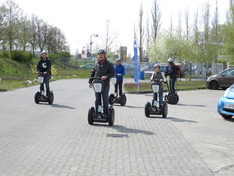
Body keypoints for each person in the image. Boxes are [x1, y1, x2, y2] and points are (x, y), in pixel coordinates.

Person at [89, 49, 114, 118]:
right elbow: (93, 73)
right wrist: (90, 82)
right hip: (97, 85)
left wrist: (106, 76)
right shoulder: (96, 63)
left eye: (102, 55)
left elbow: (112, 73)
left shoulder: (109, 64)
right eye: (99, 55)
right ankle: (98, 113)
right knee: (97, 100)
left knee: (105, 100)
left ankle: (105, 114)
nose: (100, 56)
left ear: (104, 55)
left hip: (105, 85)